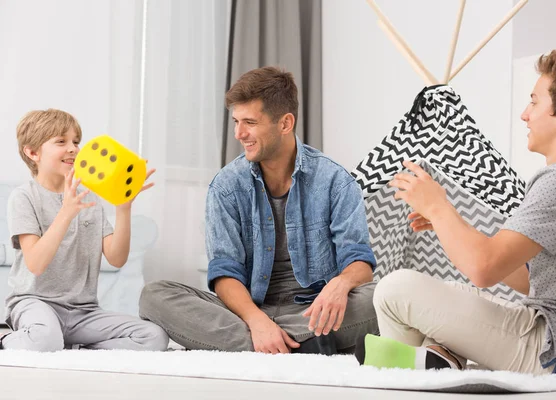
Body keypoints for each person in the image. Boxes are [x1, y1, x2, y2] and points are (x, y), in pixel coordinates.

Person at [356, 48, 556, 387]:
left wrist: (439, 208)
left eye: (534, 102)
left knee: (394, 289)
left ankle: (409, 379)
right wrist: (450, 221)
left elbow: (484, 269)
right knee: (452, 290)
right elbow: (532, 279)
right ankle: (437, 361)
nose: (524, 115)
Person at [140, 66, 378, 354]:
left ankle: (265, 347)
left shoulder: (335, 181)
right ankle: (299, 346)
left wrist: (341, 284)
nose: (240, 133)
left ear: (285, 123)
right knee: (154, 296)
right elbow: (225, 273)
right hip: (247, 311)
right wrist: (256, 320)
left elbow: (359, 261)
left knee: (384, 296)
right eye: (236, 121)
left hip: (314, 311)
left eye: (250, 122)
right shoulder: (226, 186)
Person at [0, 109, 169, 352]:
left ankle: (80, 349)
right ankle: (6, 341)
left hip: (83, 311)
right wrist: (66, 212)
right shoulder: (24, 197)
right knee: (44, 339)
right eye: (61, 141)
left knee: (154, 337)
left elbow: (117, 258)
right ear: (32, 152)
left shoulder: (89, 198)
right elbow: (35, 264)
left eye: (76, 142)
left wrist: (123, 208)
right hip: (35, 303)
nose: (73, 148)